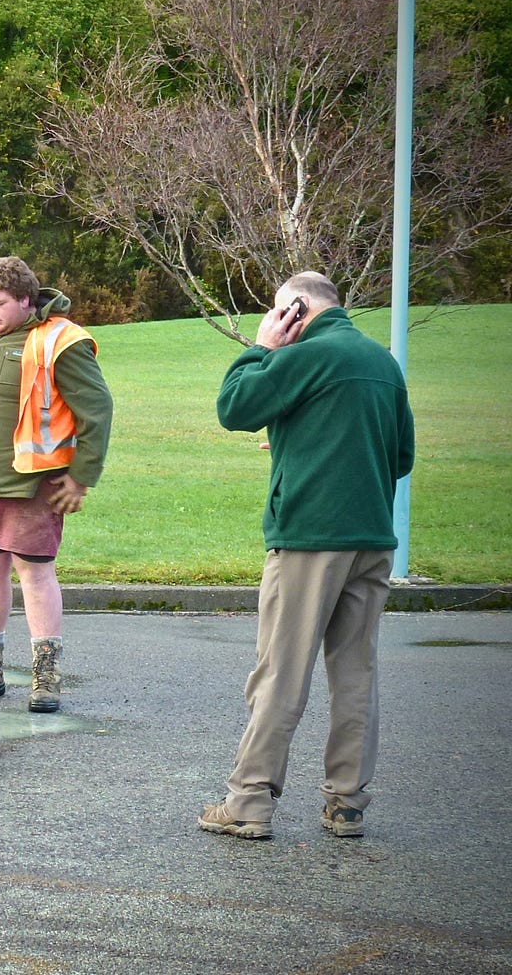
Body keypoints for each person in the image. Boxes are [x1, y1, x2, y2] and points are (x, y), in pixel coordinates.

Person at [199, 270, 415, 840]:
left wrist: (262, 347)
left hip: (309, 538)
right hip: (371, 539)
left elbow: (235, 407)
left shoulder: (303, 355)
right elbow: (400, 457)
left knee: (281, 670)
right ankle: (347, 802)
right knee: (355, 671)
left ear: (296, 309)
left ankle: (248, 800)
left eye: (280, 313)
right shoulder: (383, 363)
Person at [0, 256, 113, 710]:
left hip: (31, 482)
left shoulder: (62, 340)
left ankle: (46, 675)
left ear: (25, 299)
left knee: (34, 573)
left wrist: (81, 478)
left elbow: (97, 411)